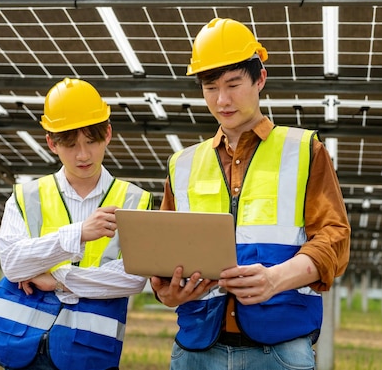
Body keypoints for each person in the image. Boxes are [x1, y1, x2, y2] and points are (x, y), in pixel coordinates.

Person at [149, 18, 351, 370]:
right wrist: (165, 291)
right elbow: (164, 254)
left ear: (260, 79)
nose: (222, 100)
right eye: (210, 87)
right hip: (195, 349)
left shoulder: (304, 150)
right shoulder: (181, 164)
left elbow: (334, 239)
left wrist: (276, 279)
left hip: (279, 350)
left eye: (233, 84)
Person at [0, 78, 152, 370]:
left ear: (107, 134)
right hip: (20, 349)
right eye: (70, 145)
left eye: (91, 141)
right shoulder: (26, 195)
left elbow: (133, 278)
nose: (83, 155)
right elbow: (12, 264)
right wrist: (79, 234)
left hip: (90, 352)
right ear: (51, 143)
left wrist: (57, 278)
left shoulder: (135, 200)